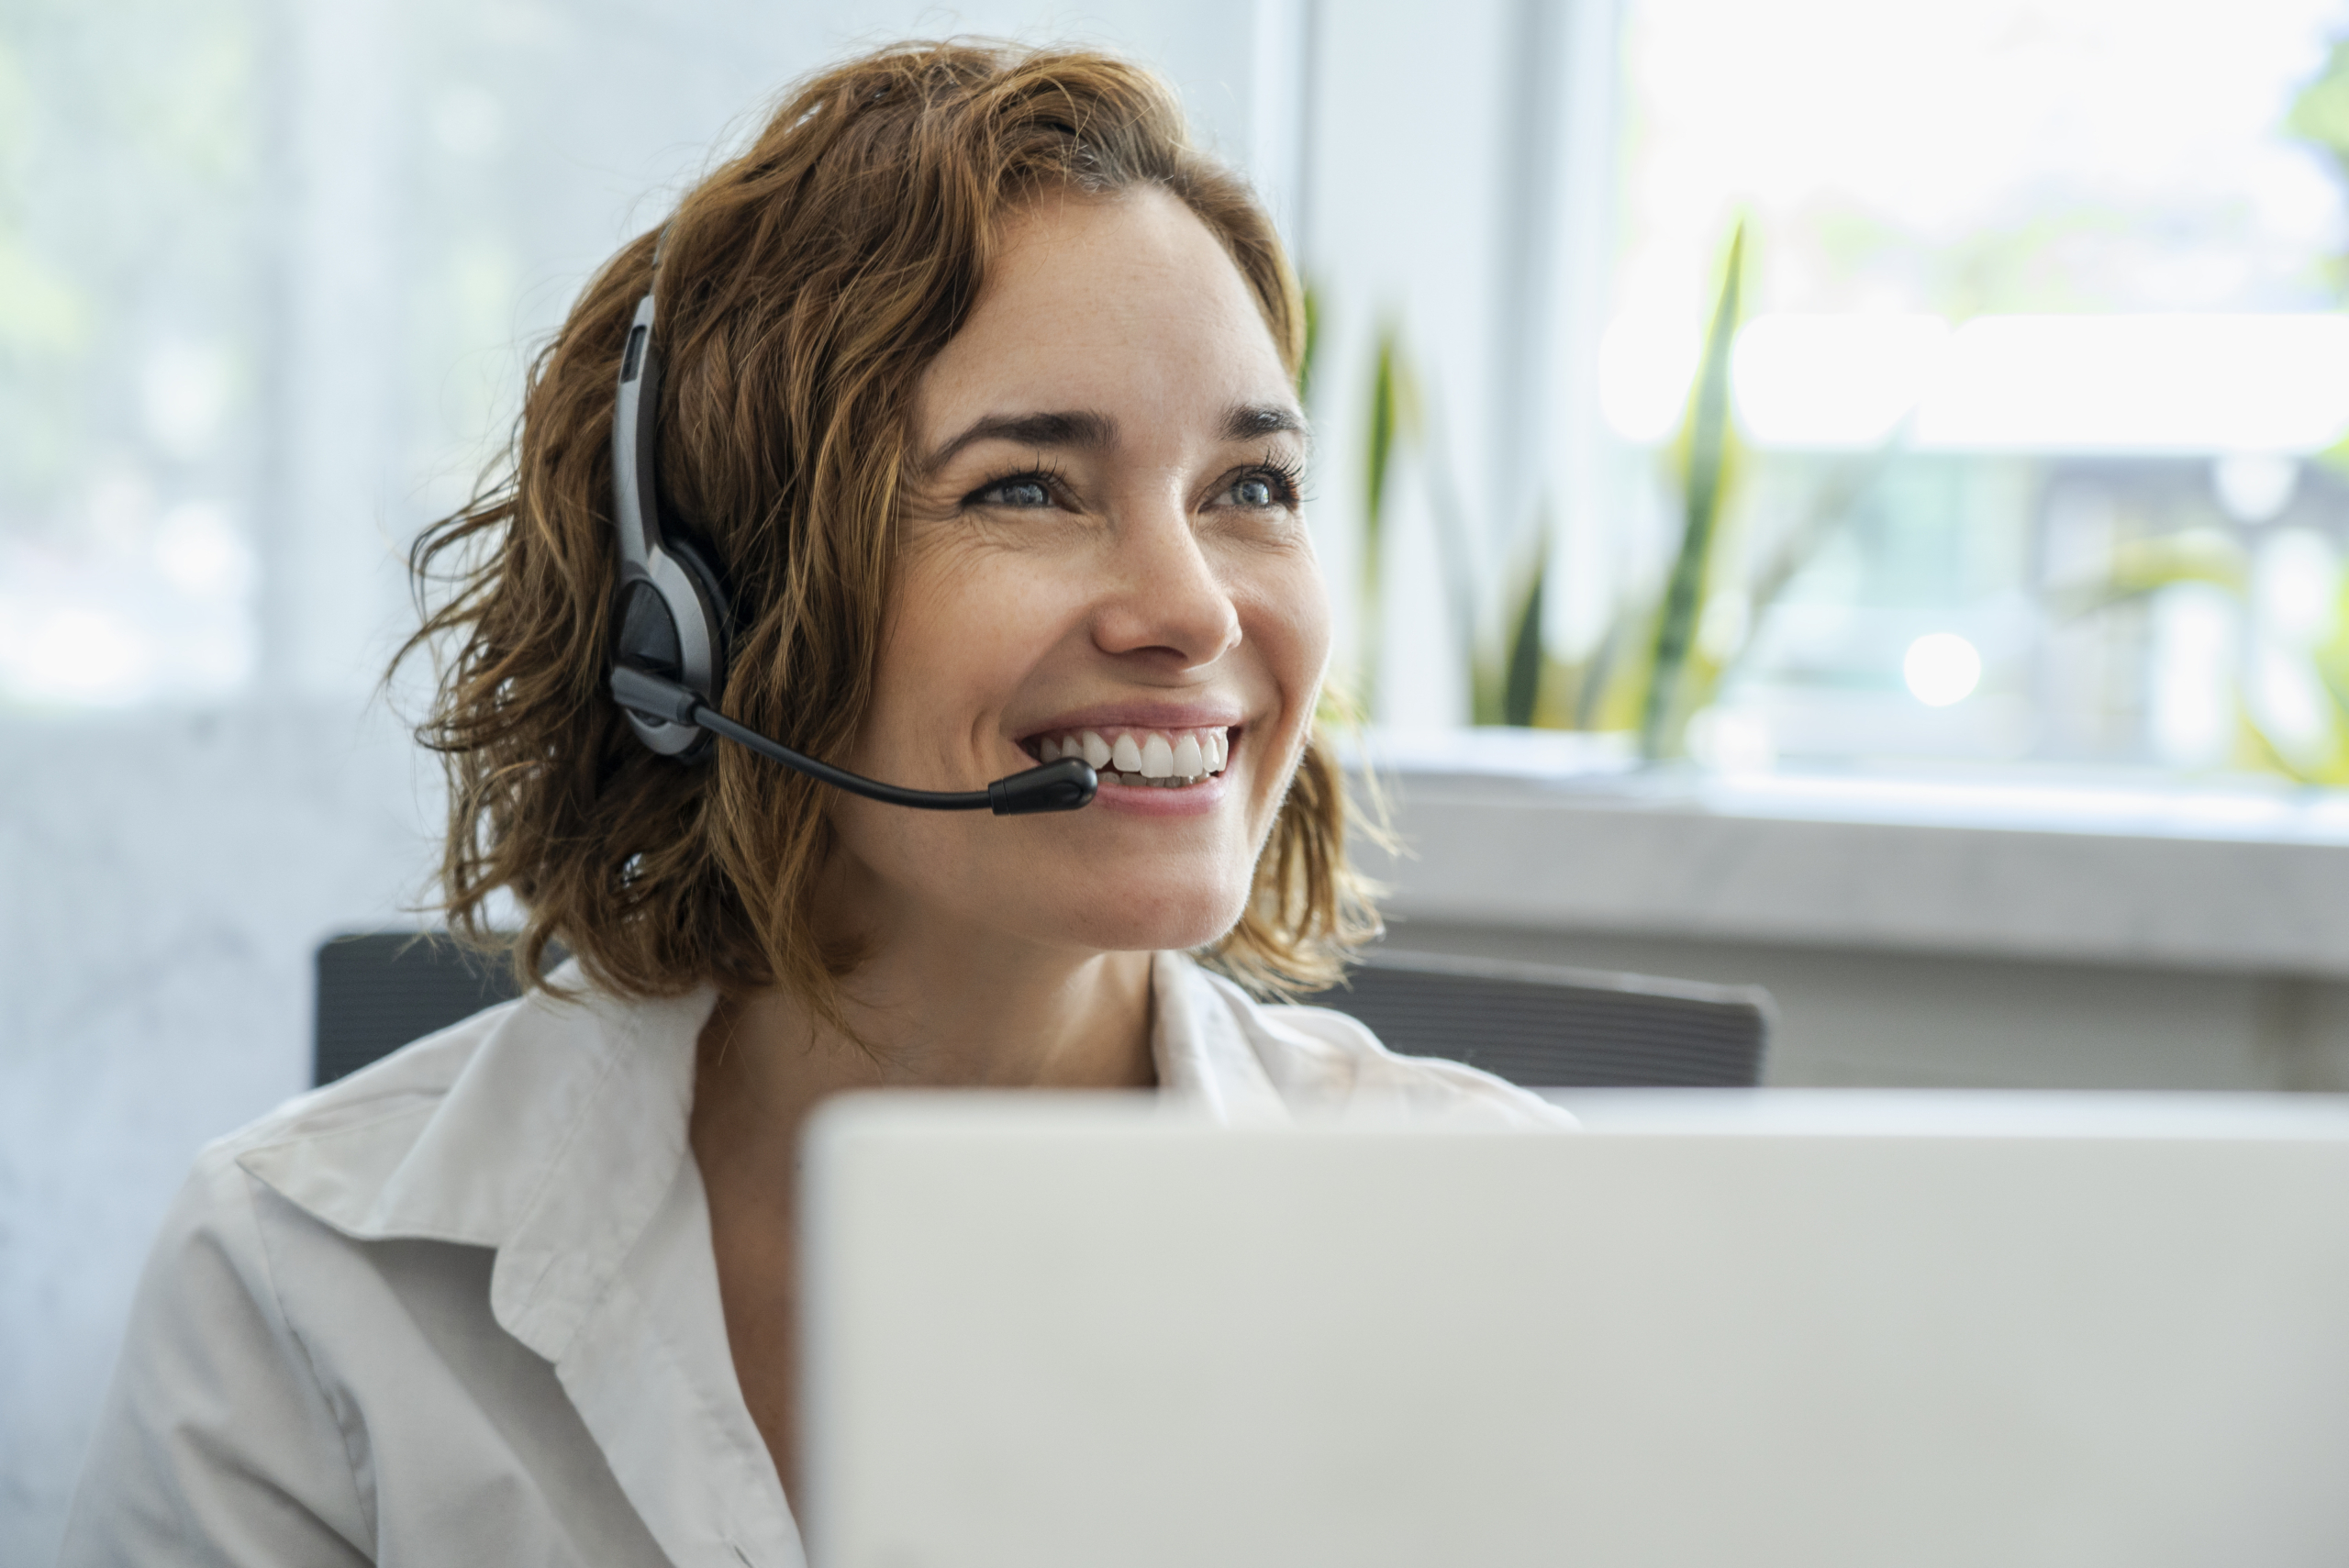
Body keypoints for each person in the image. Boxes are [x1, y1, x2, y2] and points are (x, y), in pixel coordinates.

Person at [59, 39, 1567, 1567]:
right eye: (1025, 487)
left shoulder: (1505, 1245)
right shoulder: (307, 1284)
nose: (1193, 609)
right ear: (707, 624)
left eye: (1251, 487)